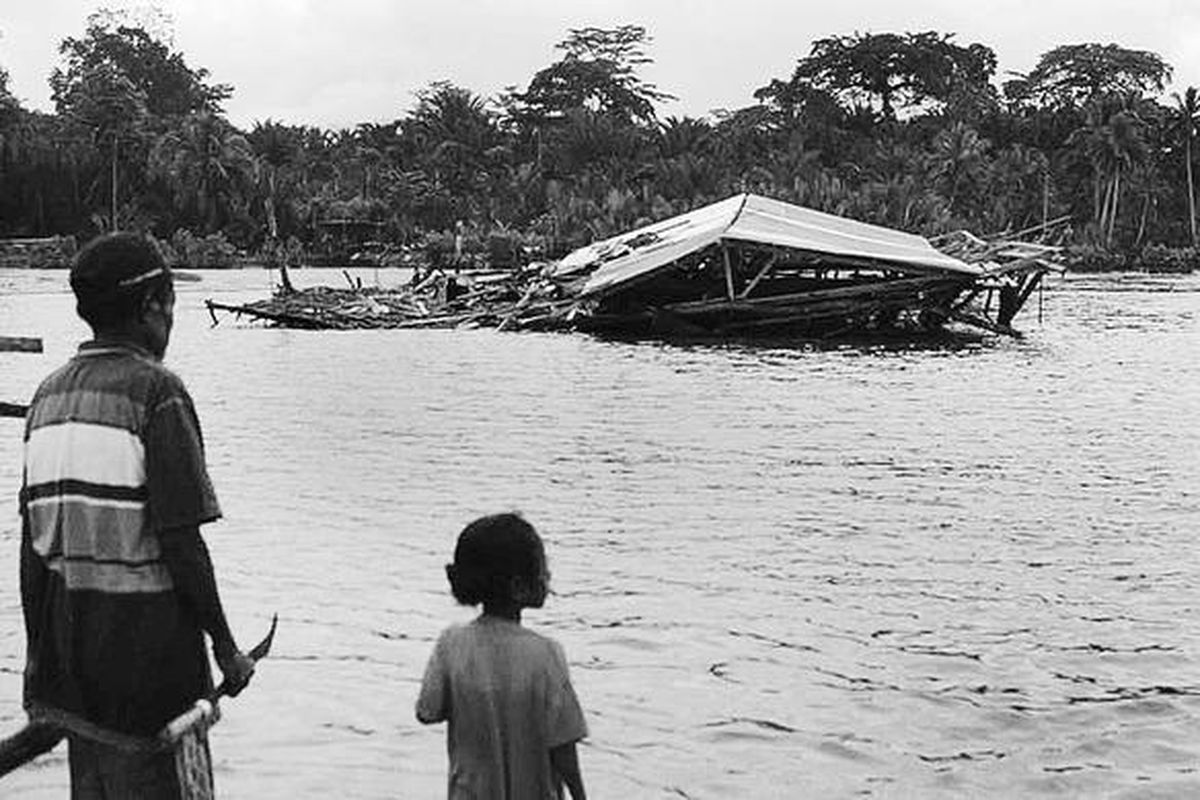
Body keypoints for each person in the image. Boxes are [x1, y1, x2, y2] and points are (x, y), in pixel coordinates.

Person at [18, 231, 255, 797]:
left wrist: (37, 663)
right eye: (170, 303)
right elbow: (182, 542)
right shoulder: (157, 392)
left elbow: (32, 553)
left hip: (74, 674)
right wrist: (226, 647)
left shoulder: (47, 398)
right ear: (153, 306)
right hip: (151, 677)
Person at [417, 513, 587, 800]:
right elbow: (563, 745)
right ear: (518, 585)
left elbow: (427, 712)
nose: (548, 576)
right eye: (542, 568)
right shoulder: (546, 654)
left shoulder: (451, 644)